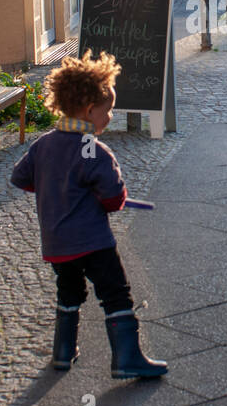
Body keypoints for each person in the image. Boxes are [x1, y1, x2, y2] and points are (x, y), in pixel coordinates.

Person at [10, 50, 167, 379]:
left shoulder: (43, 145)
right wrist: (109, 199)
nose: (109, 117)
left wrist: (53, 188)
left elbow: (20, 178)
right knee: (115, 292)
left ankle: (63, 352)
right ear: (89, 110)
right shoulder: (94, 150)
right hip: (93, 242)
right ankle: (126, 358)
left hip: (57, 244)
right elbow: (113, 198)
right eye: (107, 111)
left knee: (69, 291)